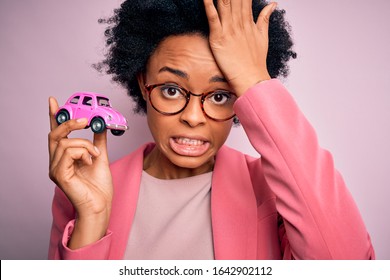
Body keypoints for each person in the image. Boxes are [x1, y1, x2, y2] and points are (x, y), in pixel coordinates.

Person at [47, 0, 375, 260]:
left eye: (220, 96)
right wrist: (91, 220)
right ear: (143, 85)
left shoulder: (274, 194)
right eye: (172, 89)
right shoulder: (81, 189)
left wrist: (253, 81)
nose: (193, 117)